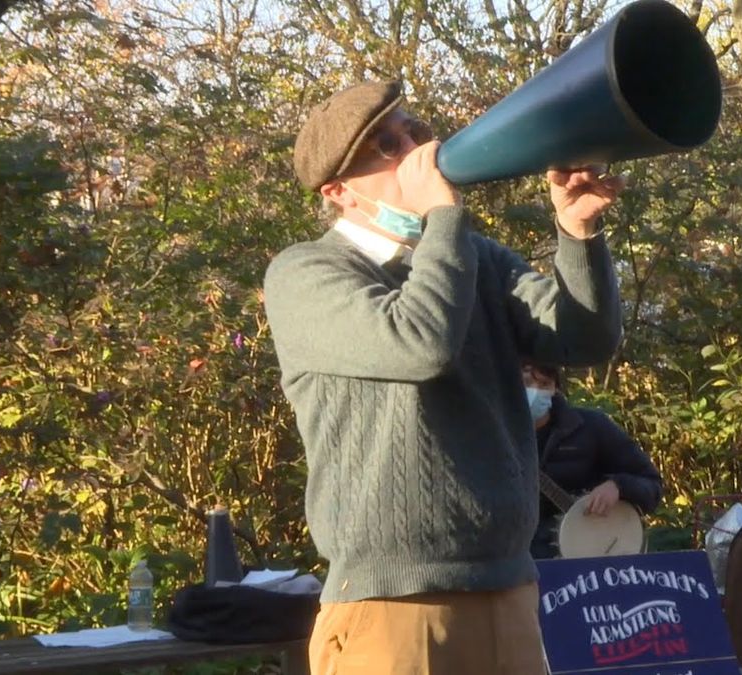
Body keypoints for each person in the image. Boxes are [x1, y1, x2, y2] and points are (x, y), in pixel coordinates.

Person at [263, 80, 626, 675]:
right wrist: (442, 217)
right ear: (338, 192)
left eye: (415, 130)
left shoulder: (473, 255)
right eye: (386, 144)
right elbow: (419, 344)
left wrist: (578, 234)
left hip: (508, 589)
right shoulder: (306, 273)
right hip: (394, 606)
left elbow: (582, 339)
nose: (413, 148)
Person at [522, 362, 663, 559]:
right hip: (514, 566)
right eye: (526, 383)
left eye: (544, 384)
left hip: (589, 571)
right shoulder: (488, 439)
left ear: (556, 388)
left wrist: (618, 485)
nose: (535, 392)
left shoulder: (592, 428)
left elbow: (652, 485)